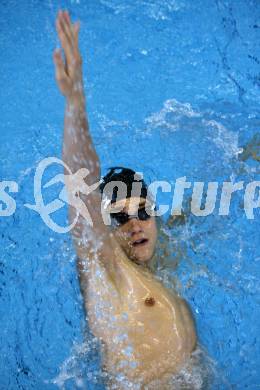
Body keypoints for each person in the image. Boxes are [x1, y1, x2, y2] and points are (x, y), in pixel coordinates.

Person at [53, 9, 197, 388]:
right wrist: (75, 103)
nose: (135, 224)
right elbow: (82, 188)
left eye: (143, 211)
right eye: (118, 218)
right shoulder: (110, 271)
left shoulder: (161, 250)